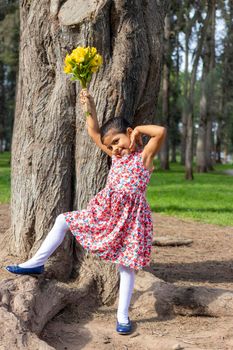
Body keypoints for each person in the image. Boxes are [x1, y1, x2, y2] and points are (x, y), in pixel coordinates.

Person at [6, 90, 166, 335]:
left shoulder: (143, 157)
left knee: (126, 266)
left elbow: (161, 132)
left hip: (132, 220)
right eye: (111, 145)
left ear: (129, 134)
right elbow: (94, 131)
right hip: (106, 214)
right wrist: (89, 105)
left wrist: (137, 131)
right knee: (63, 219)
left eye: (118, 142)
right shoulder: (116, 158)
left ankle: (122, 316)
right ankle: (35, 263)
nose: (115, 148)